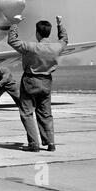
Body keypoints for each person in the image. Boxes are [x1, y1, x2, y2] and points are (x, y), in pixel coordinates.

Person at [8, 15, 68, 152]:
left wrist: (15, 23)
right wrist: (60, 24)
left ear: (37, 33)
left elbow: (12, 40)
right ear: (49, 32)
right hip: (46, 81)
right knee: (46, 113)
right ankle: (50, 143)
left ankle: (34, 144)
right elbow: (64, 39)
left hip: (30, 81)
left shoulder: (30, 47)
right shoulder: (56, 47)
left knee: (27, 113)